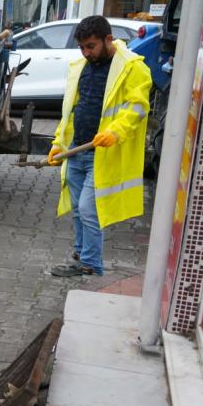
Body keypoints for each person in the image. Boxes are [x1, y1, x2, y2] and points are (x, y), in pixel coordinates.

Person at [47, 15, 151, 277]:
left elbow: (138, 108)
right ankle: (80, 254)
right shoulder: (81, 66)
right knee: (78, 210)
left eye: (91, 46)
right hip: (77, 149)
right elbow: (71, 110)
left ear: (108, 39)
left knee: (88, 208)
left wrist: (115, 132)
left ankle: (91, 264)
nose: (86, 52)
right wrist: (58, 143)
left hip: (102, 153)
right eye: (82, 47)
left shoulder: (133, 68)